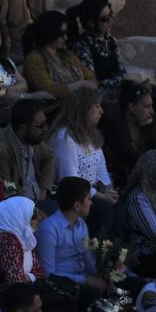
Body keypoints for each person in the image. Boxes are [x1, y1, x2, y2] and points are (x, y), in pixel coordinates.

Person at [50, 88, 118, 233]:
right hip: (72, 195)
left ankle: (113, 252)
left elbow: (101, 168)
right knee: (103, 209)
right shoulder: (65, 137)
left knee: (119, 205)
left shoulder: (92, 136)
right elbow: (70, 178)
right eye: (97, 106)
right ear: (84, 109)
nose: (101, 111)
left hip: (90, 193)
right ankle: (96, 250)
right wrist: (101, 196)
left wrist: (109, 190)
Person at [36, 178, 107, 295]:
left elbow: (88, 258)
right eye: (89, 199)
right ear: (77, 205)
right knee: (92, 294)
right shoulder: (49, 229)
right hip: (62, 288)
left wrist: (103, 277)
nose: (91, 202)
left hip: (82, 280)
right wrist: (87, 280)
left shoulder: (82, 225)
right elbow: (48, 274)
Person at [0, 196, 44, 306]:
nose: (39, 218)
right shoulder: (7, 243)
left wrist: (28, 277)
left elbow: (39, 272)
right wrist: (29, 277)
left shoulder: (21, 238)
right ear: (18, 217)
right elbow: (16, 285)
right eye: (33, 215)